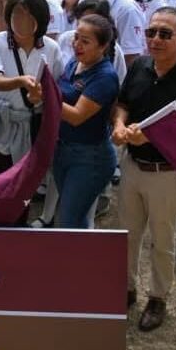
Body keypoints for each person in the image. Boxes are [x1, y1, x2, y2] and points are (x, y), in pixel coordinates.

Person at [114, 7, 176, 332]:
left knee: (162, 240)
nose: (155, 39)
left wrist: (152, 135)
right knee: (126, 235)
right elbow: (124, 103)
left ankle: (157, 298)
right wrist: (119, 125)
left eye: (165, 34)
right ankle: (126, 290)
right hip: (132, 165)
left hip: (166, 174)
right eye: (151, 32)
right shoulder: (140, 65)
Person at [0, 0, 62, 175]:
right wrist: (22, 82)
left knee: (24, 189)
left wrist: (39, 97)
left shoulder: (51, 48)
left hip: (33, 127)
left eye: (28, 15)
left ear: (40, 18)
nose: (21, 20)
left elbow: (54, 90)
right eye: (17, 13)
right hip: (0, 124)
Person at [53, 14, 121, 228]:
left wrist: (46, 97)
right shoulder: (75, 62)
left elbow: (76, 116)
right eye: (76, 37)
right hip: (63, 149)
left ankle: (78, 260)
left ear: (103, 46)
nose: (77, 45)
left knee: (69, 219)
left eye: (85, 41)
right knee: (73, 216)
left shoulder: (105, 76)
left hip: (90, 157)